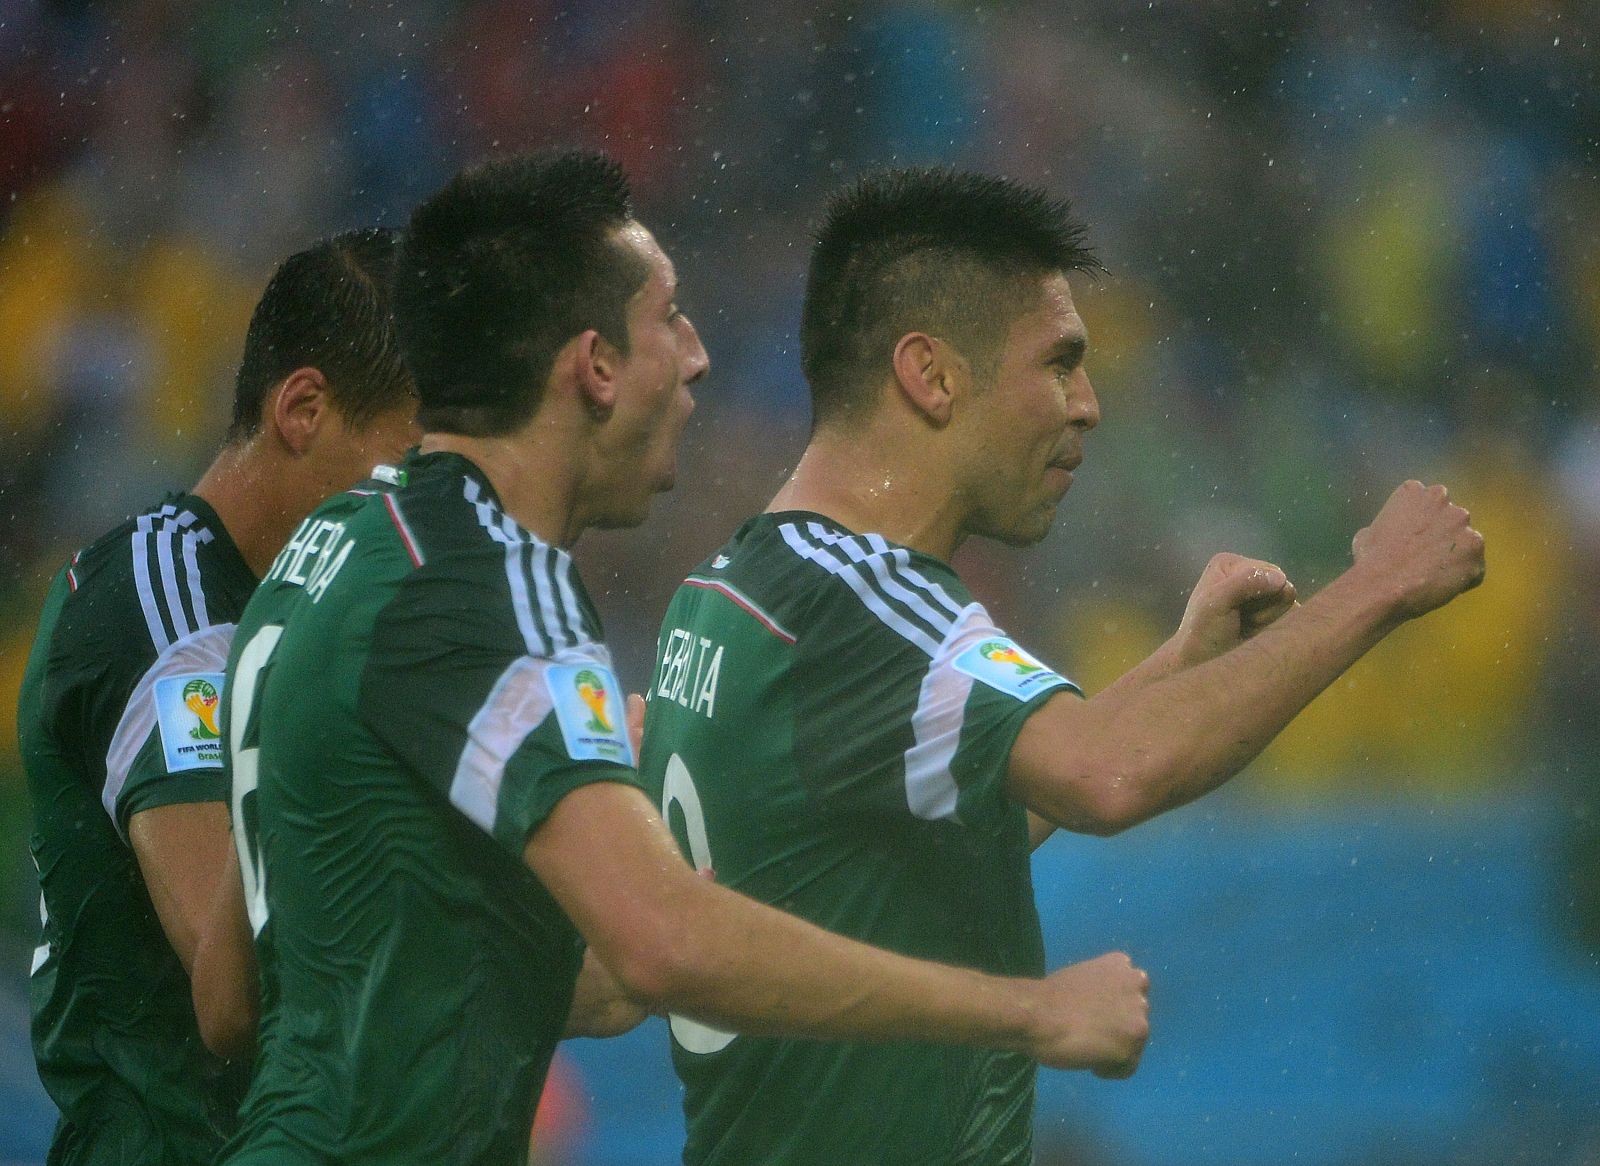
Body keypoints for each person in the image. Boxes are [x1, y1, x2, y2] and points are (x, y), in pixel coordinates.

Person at [213, 151, 1153, 1166]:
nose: (700, 356)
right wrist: (1032, 1010)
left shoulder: (341, 544)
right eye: (670, 318)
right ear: (595, 365)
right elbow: (667, 941)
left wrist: (540, 969)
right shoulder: (486, 586)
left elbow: (235, 994)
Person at [635, 167, 1488, 1166]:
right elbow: (1104, 774)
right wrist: (1378, 584)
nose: (1086, 405)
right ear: (931, 374)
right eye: (1059, 363)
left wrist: (1178, 661)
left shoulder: (734, 586)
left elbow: (916, 830)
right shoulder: (867, 597)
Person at [16, 228, 420, 1166]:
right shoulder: (166, 609)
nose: (424, 506)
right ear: (304, 409)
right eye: (410, 460)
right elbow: (227, 978)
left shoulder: (333, 607)